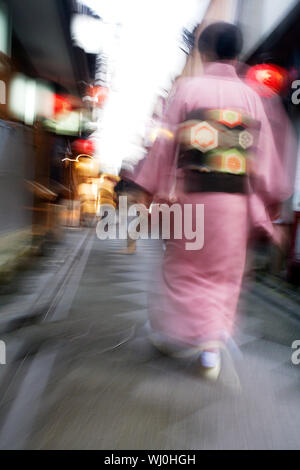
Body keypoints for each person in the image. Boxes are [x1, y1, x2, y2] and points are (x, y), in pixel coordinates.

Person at [132, 22, 296, 379]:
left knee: (182, 269)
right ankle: (210, 349)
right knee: (224, 275)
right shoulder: (253, 96)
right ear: (235, 54)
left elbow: (165, 144)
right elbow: (264, 156)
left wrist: (149, 186)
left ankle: (173, 333)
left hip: (191, 196)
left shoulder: (188, 89)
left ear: (205, 52)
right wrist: (270, 198)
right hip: (234, 204)